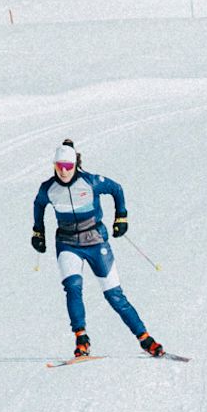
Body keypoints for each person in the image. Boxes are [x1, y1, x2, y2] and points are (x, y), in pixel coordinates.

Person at [31, 138, 167, 360]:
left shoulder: (91, 182)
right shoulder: (49, 188)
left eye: (68, 166)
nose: (64, 172)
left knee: (114, 295)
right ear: (54, 165)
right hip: (67, 243)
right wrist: (38, 232)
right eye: (59, 166)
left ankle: (145, 339)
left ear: (75, 164)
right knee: (73, 288)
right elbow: (38, 205)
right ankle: (81, 339)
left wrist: (121, 217)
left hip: (95, 241)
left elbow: (116, 189)